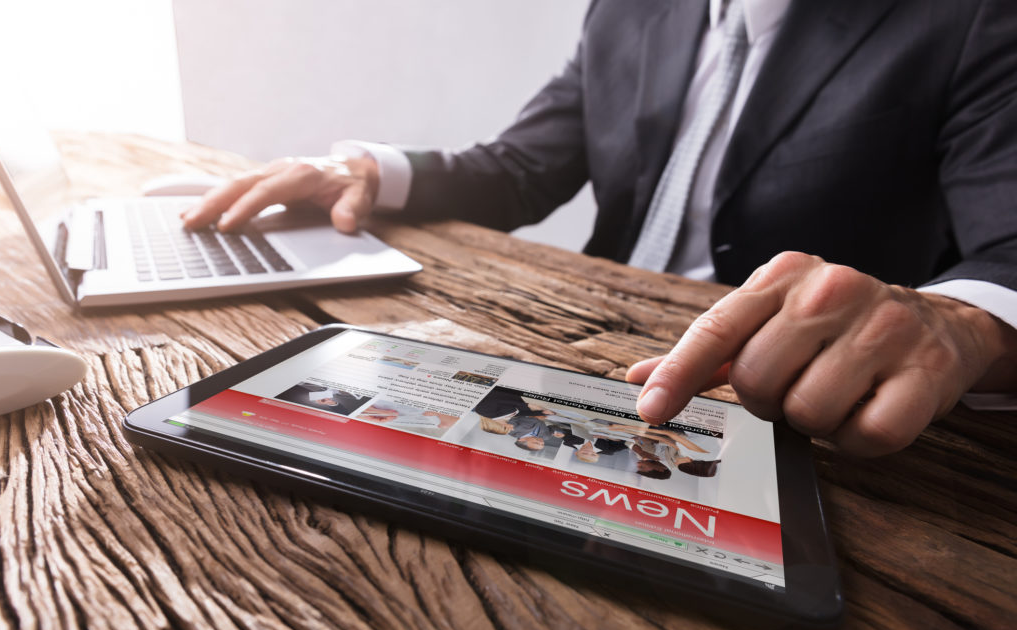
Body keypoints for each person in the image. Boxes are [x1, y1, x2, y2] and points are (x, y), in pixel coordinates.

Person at [184, 0, 1017, 457]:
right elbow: (522, 166)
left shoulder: (971, 20)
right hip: (577, 345)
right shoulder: (627, 10)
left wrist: (961, 323)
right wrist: (367, 172)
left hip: (785, 406)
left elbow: (1004, 251)